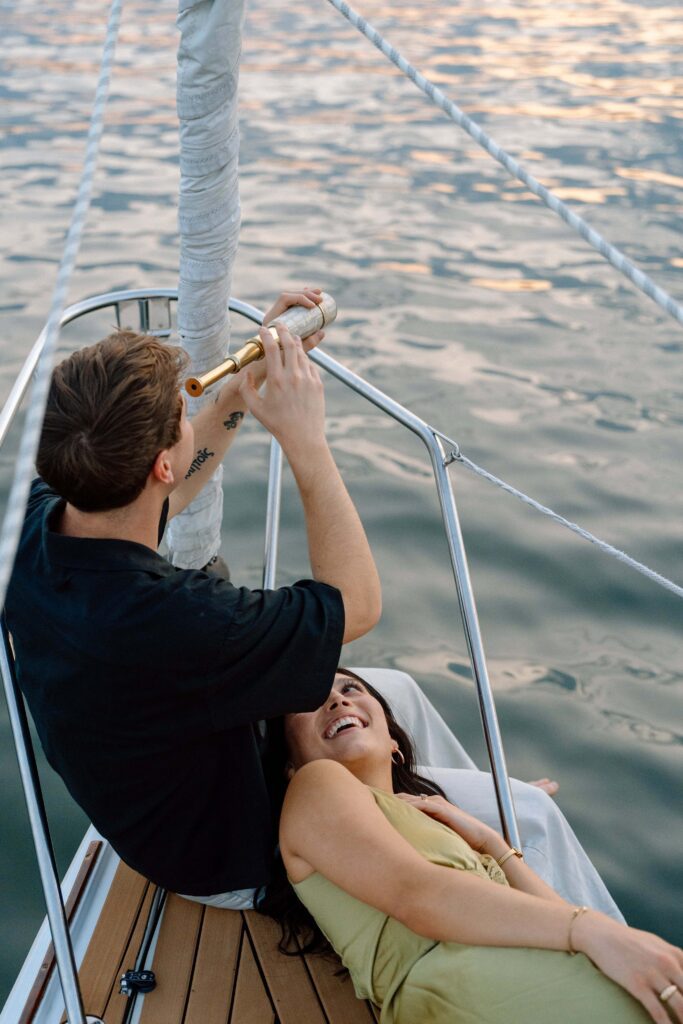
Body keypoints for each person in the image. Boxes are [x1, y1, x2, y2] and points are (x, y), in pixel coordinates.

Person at [5, 289, 381, 904]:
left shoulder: (36, 527)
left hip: (150, 814)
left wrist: (240, 382)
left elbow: (164, 493)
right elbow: (358, 606)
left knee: (393, 700)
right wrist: (307, 443)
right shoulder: (184, 621)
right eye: (183, 414)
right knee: (428, 741)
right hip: (231, 862)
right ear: (159, 464)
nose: (189, 415)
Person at [270, 668, 683, 1024]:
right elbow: (417, 896)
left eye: (351, 689)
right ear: (290, 765)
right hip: (463, 985)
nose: (338, 701)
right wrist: (594, 930)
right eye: (311, 699)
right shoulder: (316, 784)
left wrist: (494, 845)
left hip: (528, 969)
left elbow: (554, 914)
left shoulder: (436, 820)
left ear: (394, 741)